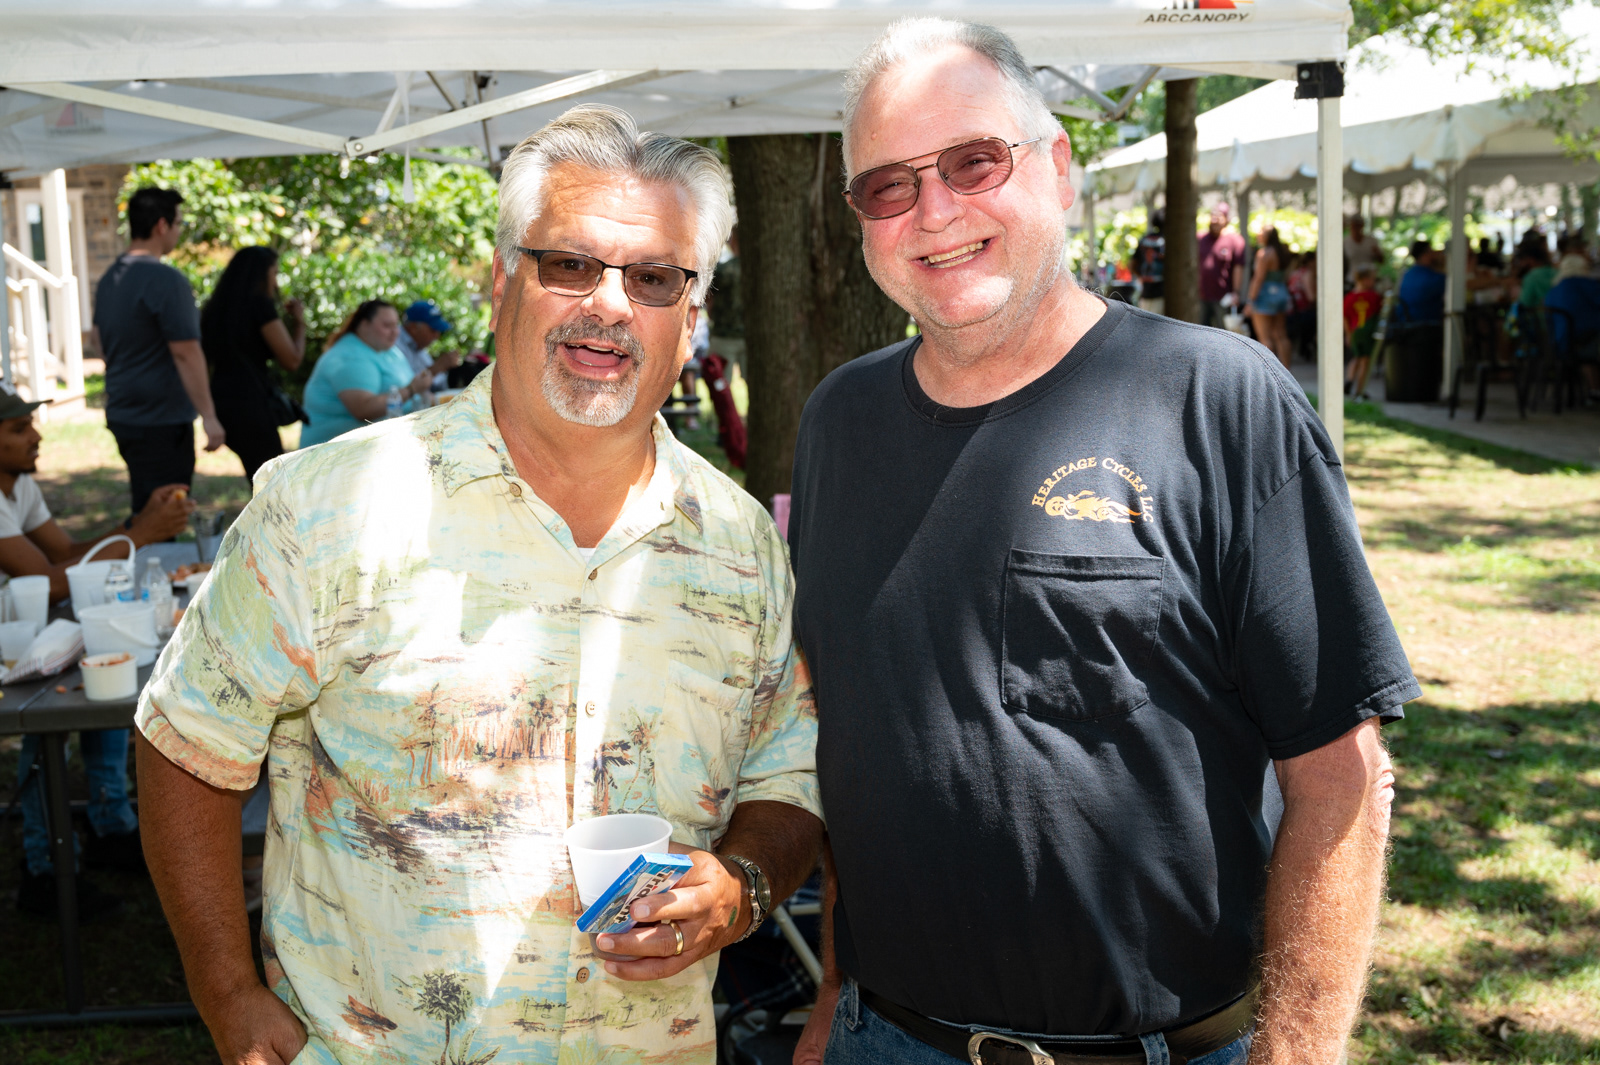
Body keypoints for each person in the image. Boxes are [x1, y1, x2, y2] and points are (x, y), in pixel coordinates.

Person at [134, 103, 824, 1065]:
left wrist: (740, 888)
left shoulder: (740, 544)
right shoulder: (326, 509)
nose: (609, 305)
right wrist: (227, 994)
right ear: (503, 280)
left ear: (691, 317)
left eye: (653, 278)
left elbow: (788, 774)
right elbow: (184, 741)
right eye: (570, 263)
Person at [792, 17, 1415, 1065]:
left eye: (974, 161)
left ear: (1059, 166)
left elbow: (1339, 779)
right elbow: (857, 753)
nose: (934, 210)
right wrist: (828, 1005)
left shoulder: (1218, 400)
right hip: (882, 1036)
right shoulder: (837, 423)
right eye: (888, 186)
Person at [0, 381, 193, 917]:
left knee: (106, 670)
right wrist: (144, 532)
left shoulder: (18, 486)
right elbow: (48, 581)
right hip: (13, 648)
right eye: (18, 429)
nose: (35, 436)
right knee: (48, 724)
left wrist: (135, 526)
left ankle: (110, 826)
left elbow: (66, 554)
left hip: (25, 633)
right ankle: (43, 869)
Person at [94, 187, 226, 516]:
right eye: (179, 224)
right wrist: (210, 417)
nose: (179, 232)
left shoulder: (110, 278)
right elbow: (186, 352)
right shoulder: (166, 280)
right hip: (161, 421)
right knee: (164, 516)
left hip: (124, 413)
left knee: (146, 506)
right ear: (162, 225)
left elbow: (98, 340)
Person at [200, 247, 306, 483]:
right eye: (274, 273)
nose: (275, 282)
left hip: (222, 403)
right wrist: (299, 323)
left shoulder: (214, 309)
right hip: (250, 404)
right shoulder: (259, 306)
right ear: (262, 274)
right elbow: (292, 360)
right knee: (275, 486)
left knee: (263, 479)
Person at [297, 300, 433, 447]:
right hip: (333, 454)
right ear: (364, 325)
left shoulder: (388, 350)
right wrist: (411, 390)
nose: (395, 332)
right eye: (387, 326)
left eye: (396, 325)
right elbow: (363, 409)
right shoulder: (349, 356)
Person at [1248, 225, 1294, 368]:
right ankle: (1287, 372)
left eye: (1261, 231)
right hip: (1281, 293)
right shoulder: (1282, 252)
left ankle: (1269, 373)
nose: (1258, 233)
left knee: (1265, 337)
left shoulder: (1264, 253)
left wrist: (1250, 300)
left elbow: (1258, 278)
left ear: (1268, 236)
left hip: (1265, 295)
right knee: (1281, 334)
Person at [395, 299, 462, 391]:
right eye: (433, 330)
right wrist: (437, 367)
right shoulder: (394, 344)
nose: (437, 336)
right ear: (414, 328)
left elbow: (438, 384)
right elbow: (403, 385)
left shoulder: (419, 348)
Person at [1197, 202, 1246, 329]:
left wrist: (1236, 292)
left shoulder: (1235, 240)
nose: (1215, 220)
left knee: (1223, 331)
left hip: (1224, 297)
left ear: (1226, 219)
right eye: (1213, 216)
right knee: (1200, 330)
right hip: (1202, 295)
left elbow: (1238, 268)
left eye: (1218, 217)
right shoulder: (1201, 238)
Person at [1344, 265, 1384, 399]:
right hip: (1366, 332)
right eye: (1373, 279)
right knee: (1365, 361)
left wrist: (1348, 334)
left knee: (1356, 357)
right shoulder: (1373, 296)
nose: (1374, 282)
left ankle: (1349, 380)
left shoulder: (1349, 297)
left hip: (1355, 332)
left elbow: (1345, 317)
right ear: (1365, 279)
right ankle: (1359, 391)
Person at [1395, 242, 1447, 325]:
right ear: (1425, 254)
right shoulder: (1433, 278)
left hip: (1405, 325)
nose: (1435, 254)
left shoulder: (1407, 275)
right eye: (1431, 251)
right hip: (1426, 326)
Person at [1136, 207, 1166, 315]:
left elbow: (1133, 264)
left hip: (1146, 292)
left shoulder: (1144, 240)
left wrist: (1142, 277)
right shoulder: (1167, 241)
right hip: (1163, 292)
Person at [1343, 215, 1384, 284]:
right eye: (1354, 226)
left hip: (1369, 279)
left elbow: (1381, 260)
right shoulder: (1345, 242)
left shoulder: (1371, 241)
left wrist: (1377, 253)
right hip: (1352, 279)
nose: (1356, 228)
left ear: (1362, 226)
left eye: (1358, 225)